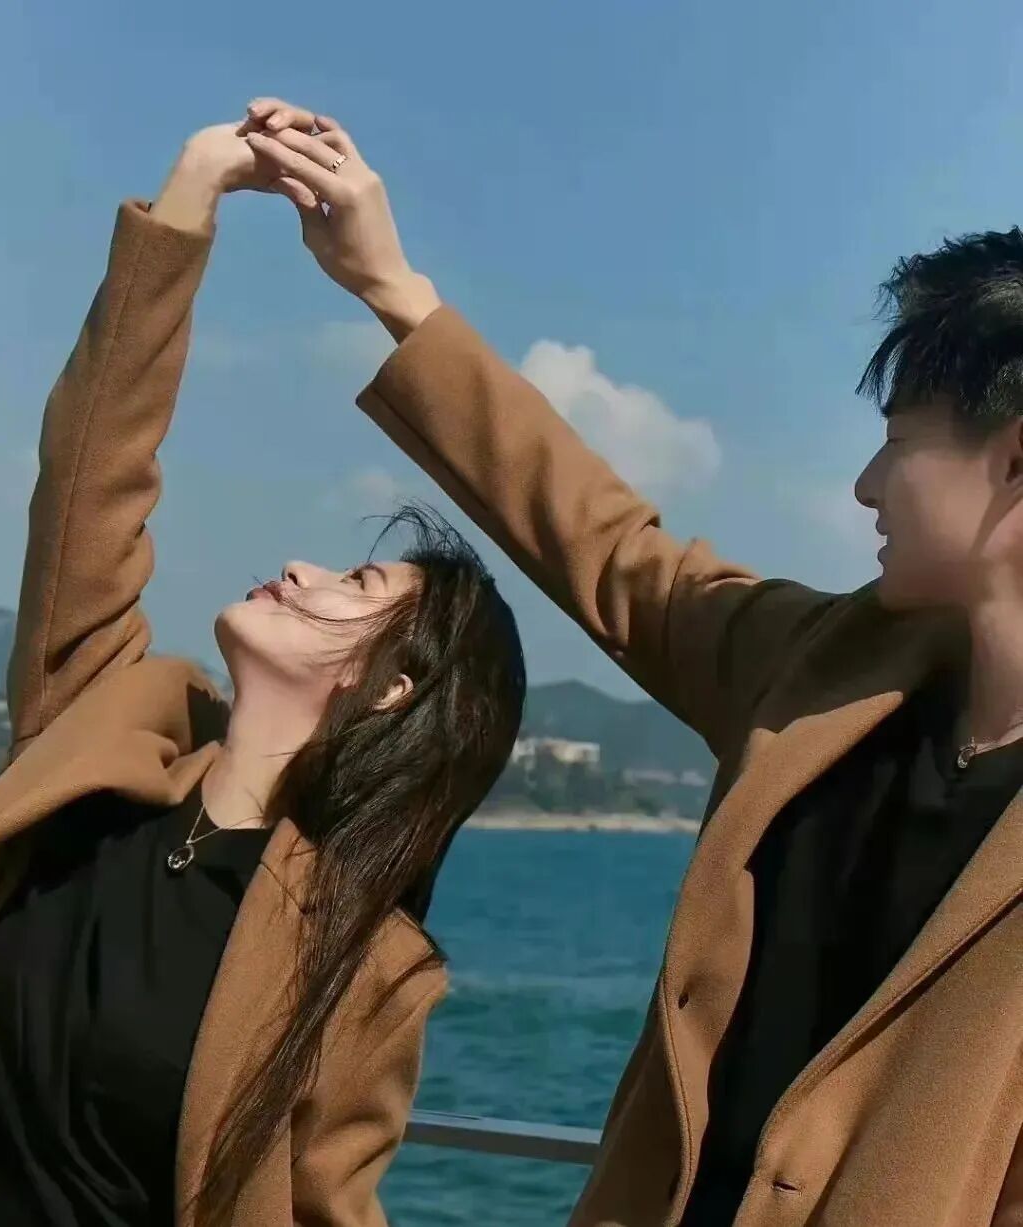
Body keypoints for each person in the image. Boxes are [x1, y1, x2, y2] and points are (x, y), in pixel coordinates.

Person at [244, 101, 1023, 1226]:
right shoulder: (822, 666)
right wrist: (392, 288)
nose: (864, 485)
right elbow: (609, 549)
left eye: (898, 441)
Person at [0, 103, 526, 1227]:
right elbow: (92, 474)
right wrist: (194, 193)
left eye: (357, 584)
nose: (303, 566)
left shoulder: (361, 960)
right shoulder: (99, 738)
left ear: (392, 688)